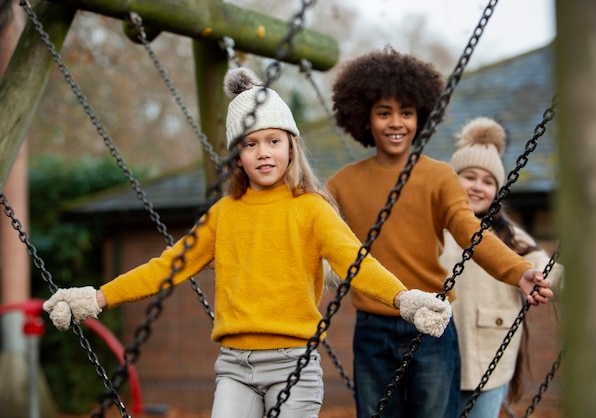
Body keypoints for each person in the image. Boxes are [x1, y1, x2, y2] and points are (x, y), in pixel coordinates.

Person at [42, 67, 453, 418]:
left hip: (294, 360)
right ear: (237, 157)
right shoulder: (224, 215)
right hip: (235, 366)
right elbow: (166, 267)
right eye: (250, 144)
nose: (263, 153)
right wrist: (97, 298)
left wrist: (403, 300)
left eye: (273, 141)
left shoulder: (310, 209)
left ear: (291, 146)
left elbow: (354, 261)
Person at [325, 46, 553, 418]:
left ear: (421, 117)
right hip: (371, 330)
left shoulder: (438, 177)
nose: (396, 122)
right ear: (364, 119)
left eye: (407, 113)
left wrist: (519, 271)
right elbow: (314, 235)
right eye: (384, 113)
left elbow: (470, 233)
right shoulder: (343, 184)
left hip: (430, 324)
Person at [440, 116, 564, 418]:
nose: (477, 187)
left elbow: (545, 269)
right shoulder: (435, 231)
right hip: (437, 353)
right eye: (469, 177)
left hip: (491, 352)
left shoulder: (511, 236)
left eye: (488, 181)